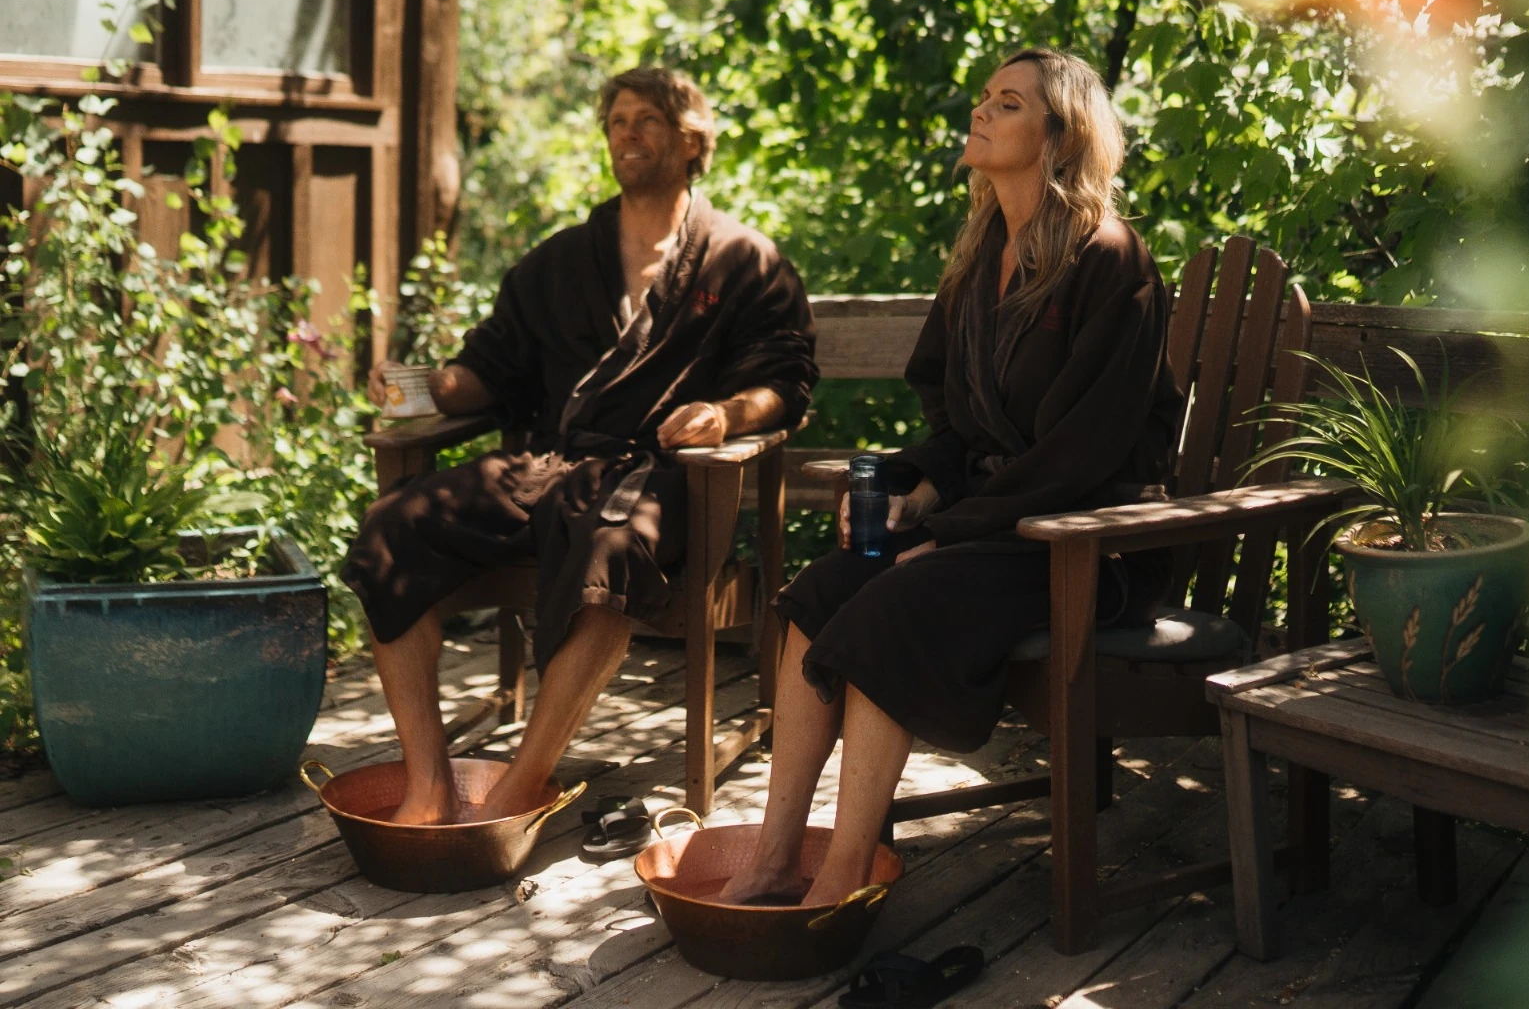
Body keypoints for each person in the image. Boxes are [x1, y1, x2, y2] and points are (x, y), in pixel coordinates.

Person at [722, 47, 1184, 906]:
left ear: (1059, 137)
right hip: (991, 524)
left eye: (1007, 104)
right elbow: (955, 421)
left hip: (1090, 544)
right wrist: (923, 488)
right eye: (983, 97)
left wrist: (947, 534)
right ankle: (775, 854)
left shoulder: (1109, 259)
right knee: (819, 592)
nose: (980, 111)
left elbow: (1084, 454)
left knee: (897, 601)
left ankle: (844, 873)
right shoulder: (980, 261)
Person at [343, 67, 818, 825]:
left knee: (613, 551)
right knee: (392, 527)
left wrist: (724, 415)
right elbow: (491, 367)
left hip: (658, 476)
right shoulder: (560, 260)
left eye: (646, 120)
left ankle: (518, 787)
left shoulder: (743, 262)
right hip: (548, 464)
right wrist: (427, 385)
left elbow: (786, 382)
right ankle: (428, 780)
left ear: (692, 139)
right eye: (616, 121)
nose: (625, 134)